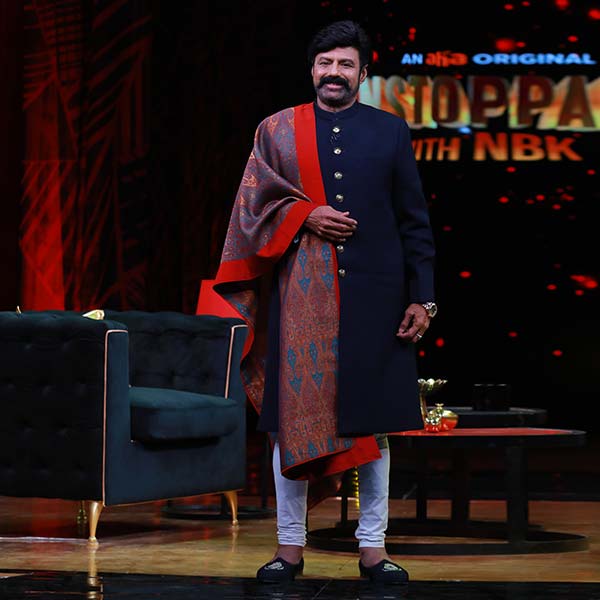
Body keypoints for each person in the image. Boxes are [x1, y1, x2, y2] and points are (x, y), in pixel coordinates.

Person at [213, 19, 436, 584]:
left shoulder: (389, 131)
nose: (334, 73)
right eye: (325, 63)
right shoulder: (277, 130)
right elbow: (251, 207)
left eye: (345, 64)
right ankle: (289, 547)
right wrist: (303, 213)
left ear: (363, 73)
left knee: (374, 426)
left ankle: (373, 549)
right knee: (291, 422)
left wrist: (423, 299)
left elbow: (414, 221)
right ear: (312, 70)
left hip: (378, 299)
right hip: (300, 301)